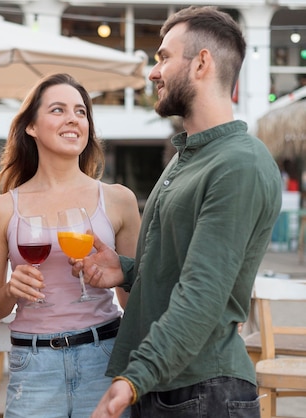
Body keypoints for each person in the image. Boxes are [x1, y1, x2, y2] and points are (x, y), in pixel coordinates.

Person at [83, 6, 283, 418]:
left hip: (201, 391)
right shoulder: (187, 158)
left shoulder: (238, 164)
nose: (153, 72)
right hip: (165, 384)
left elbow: (204, 294)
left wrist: (135, 377)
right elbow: (182, 268)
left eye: (163, 56)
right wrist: (125, 270)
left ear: (202, 63)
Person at [0, 73, 141, 418]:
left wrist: (118, 275)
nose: (72, 119)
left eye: (81, 112)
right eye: (57, 110)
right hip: (34, 367)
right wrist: (10, 290)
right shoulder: (2, 209)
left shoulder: (118, 200)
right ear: (31, 127)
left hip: (104, 356)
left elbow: (134, 298)